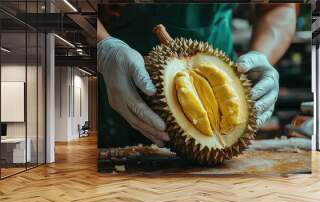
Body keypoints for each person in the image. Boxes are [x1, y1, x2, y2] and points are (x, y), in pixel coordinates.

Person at [97, 3, 296, 148]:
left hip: (216, 60)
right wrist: (103, 47)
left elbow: (279, 7)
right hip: (119, 75)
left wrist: (262, 55)